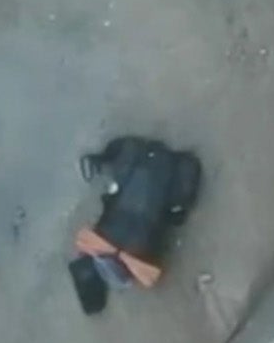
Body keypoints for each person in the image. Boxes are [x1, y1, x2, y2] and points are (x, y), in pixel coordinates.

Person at [68, 135, 203, 315]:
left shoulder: (107, 248)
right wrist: (118, 254)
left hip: (138, 203)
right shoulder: (128, 260)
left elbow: (82, 237)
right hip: (140, 217)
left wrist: (111, 251)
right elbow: (152, 277)